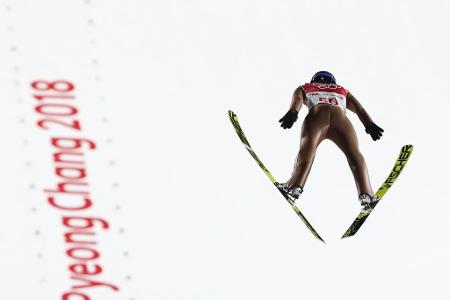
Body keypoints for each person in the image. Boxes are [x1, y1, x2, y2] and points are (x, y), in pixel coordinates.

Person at [275, 71, 383, 212]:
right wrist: (369, 124)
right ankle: (366, 194)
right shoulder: (342, 90)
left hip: (316, 116)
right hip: (341, 119)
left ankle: (294, 186)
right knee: (354, 155)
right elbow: (359, 108)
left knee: (307, 151)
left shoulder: (305, 87)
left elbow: (297, 99)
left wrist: (293, 112)